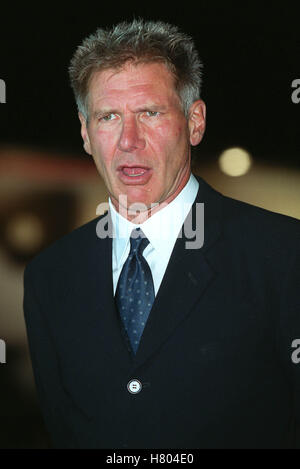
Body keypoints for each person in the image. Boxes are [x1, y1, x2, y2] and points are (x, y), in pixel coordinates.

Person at [23, 19, 300, 449]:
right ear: (85, 133)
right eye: (109, 116)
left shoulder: (283, 257)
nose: (129, 141)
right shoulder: (48, 277)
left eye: (150, 113)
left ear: (195, 122)